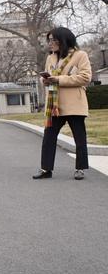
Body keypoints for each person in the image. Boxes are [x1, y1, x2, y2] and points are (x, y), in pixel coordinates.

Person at [32, 27, 92, 180]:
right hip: (54, 105)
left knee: (79, 138)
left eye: (53, 40)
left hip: (74, 104)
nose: (50, 43)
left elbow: (85, 77)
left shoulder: (80, 55)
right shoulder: (50, 58)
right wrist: (45, 80)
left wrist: (59, 80)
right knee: (48, 137)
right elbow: (47, 76)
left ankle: (80, 169)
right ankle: (46, 169)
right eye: (49, 40)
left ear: (63, 40)